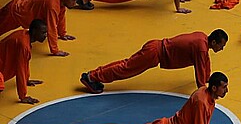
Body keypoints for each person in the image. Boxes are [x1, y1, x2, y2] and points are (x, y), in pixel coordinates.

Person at [63, 72, 229, 124]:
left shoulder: (204, 94)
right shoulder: (202, 101)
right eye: (224, 87)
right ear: (214, 88)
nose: (226, 90)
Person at [80, 29, 228, 93]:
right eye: (222, 45)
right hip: (155, 53)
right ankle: (92, 77)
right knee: (126, 68)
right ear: (214, 42)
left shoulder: (202, 38)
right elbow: (200, 73)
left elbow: (204, 64)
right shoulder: (201, 48)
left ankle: (93, 75)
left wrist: (208, 78)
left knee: (127, 64)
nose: (222, 49)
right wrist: (205, 92)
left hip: (155, 47)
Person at [0, 0, 79, 56]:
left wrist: (62, 34)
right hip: (15, 13)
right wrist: (55, 50)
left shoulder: (59, 1)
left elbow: (61, 18)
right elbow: (52, 27)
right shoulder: (53, 6)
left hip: (19, 11)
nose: (75, 3)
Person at [0, 19, 47, 104]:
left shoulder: (24, 35)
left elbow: (25, 62)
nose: (45, 35)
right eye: (43, 32)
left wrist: (26, 79)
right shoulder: (23, 45)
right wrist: (23, 96)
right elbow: (20, 69)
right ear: (34, 31)